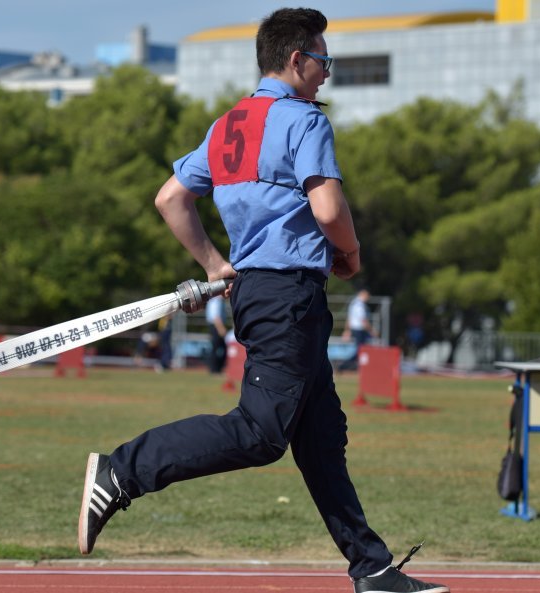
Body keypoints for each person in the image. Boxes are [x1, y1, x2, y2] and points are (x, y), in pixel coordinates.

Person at [77, 9, 448, 593]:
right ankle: (122, 470)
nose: (327, 73)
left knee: (322, 437)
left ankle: (371, 568)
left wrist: (214, 265)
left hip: (258, 291)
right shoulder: (304, 122)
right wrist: (349, 255)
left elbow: (172, 197)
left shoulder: (227, 125)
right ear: (297, 60)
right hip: (289, 293)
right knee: (260, 433)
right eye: (323, 61)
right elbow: (328, 210)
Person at [338, 288, 377, 371]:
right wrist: (371, 331)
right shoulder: (360, 305)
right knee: (361, 350)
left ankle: (359, 366)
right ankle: (343, 366)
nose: (368, 298)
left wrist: (347, 330)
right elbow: (363, 321)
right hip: (359, 330)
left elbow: (349, 318)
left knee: (362, 350)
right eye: (367, 296)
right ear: (363, 294)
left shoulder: (353, 303)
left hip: (356, 329)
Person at [205, 295, 227, 373]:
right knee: (217, 348)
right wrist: (221, 328)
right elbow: (216, 317)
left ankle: (216, 368)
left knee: (217, 347)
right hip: (216, 326)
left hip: (215, 326)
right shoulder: (217, 301)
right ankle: (215, 369)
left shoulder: (214, 300)